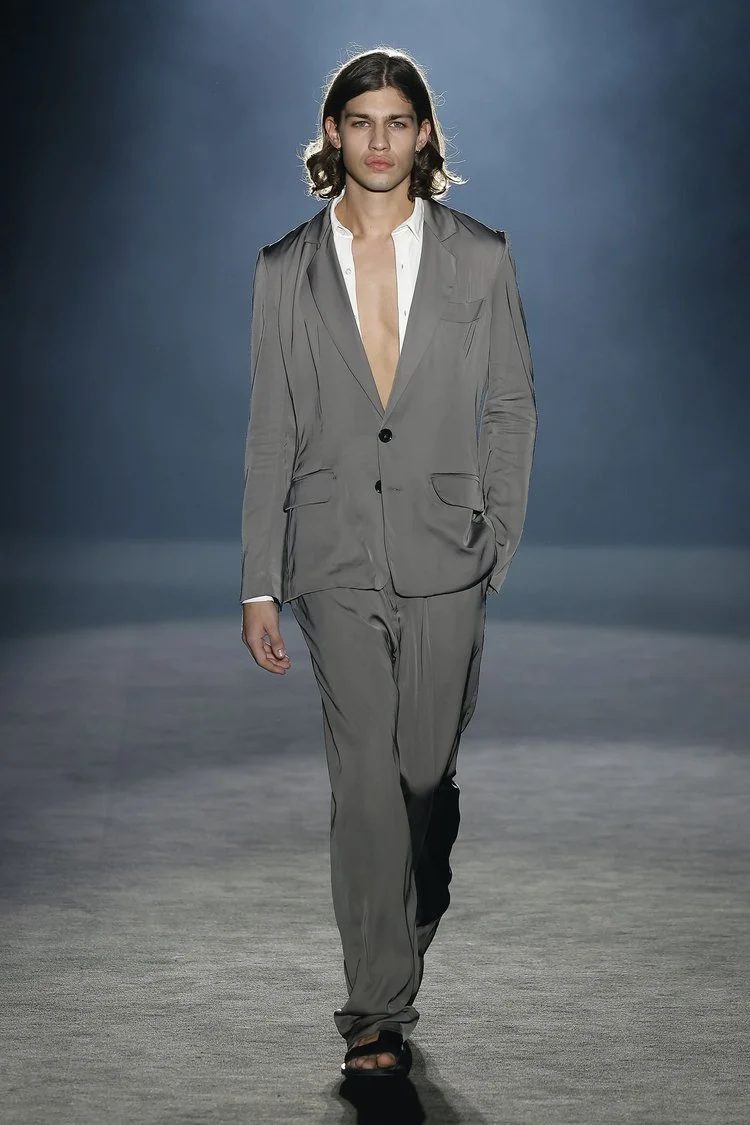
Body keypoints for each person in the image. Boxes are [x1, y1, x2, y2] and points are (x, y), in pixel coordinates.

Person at [240, 47, 537, 1079]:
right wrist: (259, 578)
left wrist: (496, 540)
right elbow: (270, 429)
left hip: (448, 549)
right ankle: (376, 1012)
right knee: (364, 777)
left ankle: (421, 870)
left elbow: (511, 405)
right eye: (359, 120)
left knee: (419, 776)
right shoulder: (283, 269)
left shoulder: (480, 256)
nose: (378, 139)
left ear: (424, 134)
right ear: (333, 133)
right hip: (330, 553)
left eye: (397, 121)